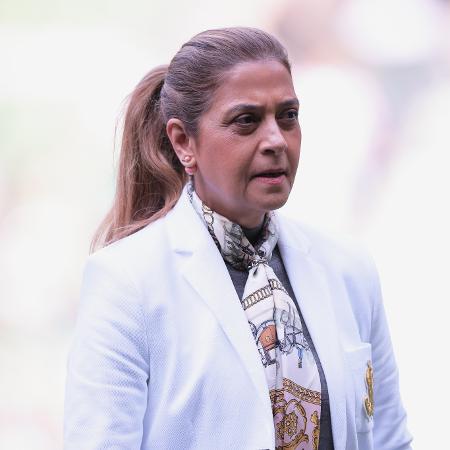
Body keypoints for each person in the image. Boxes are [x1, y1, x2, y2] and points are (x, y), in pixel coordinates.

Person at [64, 27, 412, 450]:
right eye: (246, 121)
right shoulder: (126, 284)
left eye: (288, 116)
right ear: (183, 142)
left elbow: (390, 438)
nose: (276, 140)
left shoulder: (347, 268)